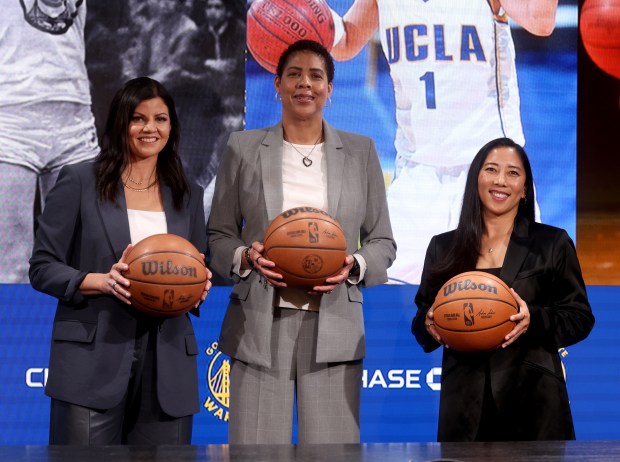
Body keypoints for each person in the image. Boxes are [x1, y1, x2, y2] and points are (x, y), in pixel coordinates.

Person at [208, 40, 396, 444]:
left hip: (336, 324)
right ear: (276, 84)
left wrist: (355, 265)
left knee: (331, 455)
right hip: (259, 322)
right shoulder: (242, 149)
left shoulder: (361, 152)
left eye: (316, 75)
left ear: (330, 88)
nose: (304, 83)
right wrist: (246, 256)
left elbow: (382, 241)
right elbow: (219, 235)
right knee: (255, 452)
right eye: (294, 74)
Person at [29, 77, 212, 445]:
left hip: (168, 362)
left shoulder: (187, 193)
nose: (150, 128)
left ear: (171, 127)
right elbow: (43, 266)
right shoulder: (80, 180)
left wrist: (199, 284)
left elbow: (197, 264)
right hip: (91, 361)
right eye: (138, 118)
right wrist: (101, 281)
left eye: (160, 119)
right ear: (120, 124)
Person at [329, 0, 557, 284]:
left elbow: (541, 20)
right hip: (417, 178)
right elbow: (346, 41)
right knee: (386, 310)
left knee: (501, 314)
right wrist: (307, 10)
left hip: (490, 175)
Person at [411, 137, 594, 441]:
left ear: (524, 189)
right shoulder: (443, 247)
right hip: (464, 409)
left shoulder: (552, 243)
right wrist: (429, 324)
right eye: (491, 169)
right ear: (476, 179)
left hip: (535, 406)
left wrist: (532, 319)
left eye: (513, 173)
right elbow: (421, 323)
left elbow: (580, 317)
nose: (500, 181)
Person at [0, 0, 99, 283]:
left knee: (79, 262)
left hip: (74, 119)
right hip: (12, 118)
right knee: (11, 267)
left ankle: (69, 329)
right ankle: (13, 328)